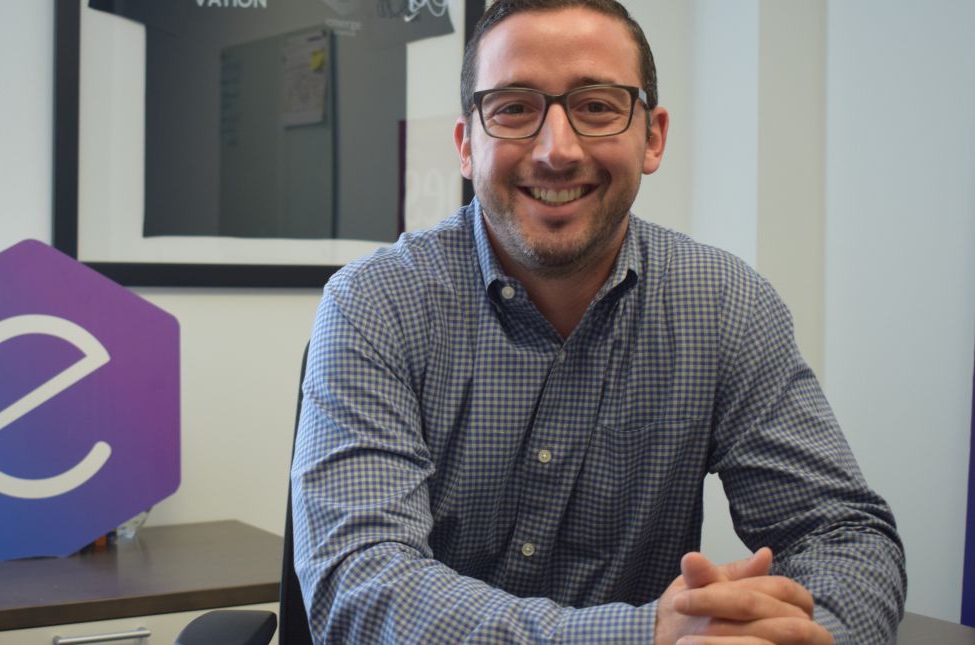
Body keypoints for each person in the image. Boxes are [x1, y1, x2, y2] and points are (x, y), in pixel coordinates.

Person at [290, 0, 907, 642]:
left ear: (654, 136)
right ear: (466, 146)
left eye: (597, 107)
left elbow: (842, 533)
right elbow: (358, 581)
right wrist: (644, 639)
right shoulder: (374, 304)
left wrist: (790, 636)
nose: (557, 150)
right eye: (513, 109)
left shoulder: (726, 304)